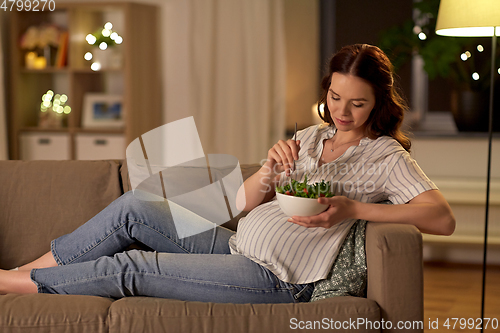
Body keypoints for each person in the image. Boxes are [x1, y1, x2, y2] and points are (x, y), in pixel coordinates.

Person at [0, 44, 455, 302]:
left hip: (277, 277)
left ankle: (9, 283)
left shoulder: (385, 156)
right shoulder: (311, 137)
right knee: (137, 206)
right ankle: (20, 274)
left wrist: (354, 209)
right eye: (335, 97)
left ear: (378, 101)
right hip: (237, 243)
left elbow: (442, 218)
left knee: (130, 267)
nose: (342, 111)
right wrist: (270, 171)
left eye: (357, 103)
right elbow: (243, 202)